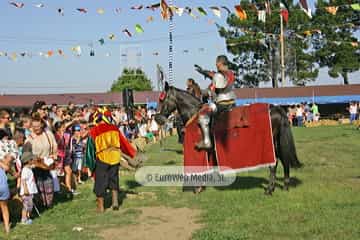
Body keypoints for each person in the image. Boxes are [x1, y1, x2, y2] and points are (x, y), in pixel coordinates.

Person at [84, 108, 137, 213]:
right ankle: (115, 202)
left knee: (100, 182)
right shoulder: (114, 128)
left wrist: (89, 165)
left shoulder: (94, 131)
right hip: (115, 157)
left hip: (102, 158)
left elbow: (90, 150)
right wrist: (131, 153)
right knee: (114, 178)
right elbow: (123, 142)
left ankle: (101, 207)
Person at [194, 55, 237, 149]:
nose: (215, 64)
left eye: (216, 62)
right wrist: (203, 71)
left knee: (202, 116)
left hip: (222, 104)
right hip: (233, 102)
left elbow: (213, 90)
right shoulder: (231, 73)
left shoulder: (218, 76)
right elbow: (212, 74)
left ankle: (207, 142)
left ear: (219, 63)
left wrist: (204, 92)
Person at [19, 151, 38, 225]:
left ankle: (27, 217)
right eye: (32, 159)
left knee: (30, 205)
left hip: (30, 191)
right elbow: (23, 180)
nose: (33, 160)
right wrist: (25, 189)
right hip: (26, 192)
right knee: (26, 206)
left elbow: (31, 166)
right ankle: (23, 219)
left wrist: (32, 166)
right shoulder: (25, 170)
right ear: (28, 161)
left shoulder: (28, 168)